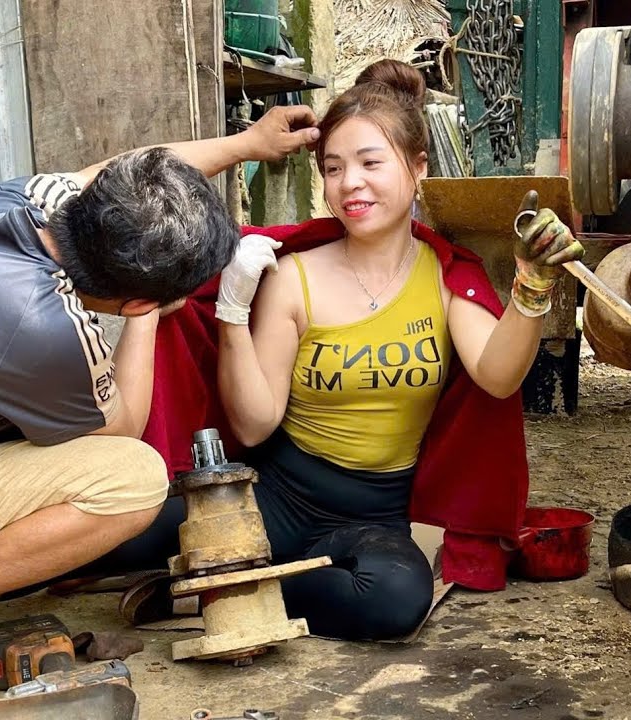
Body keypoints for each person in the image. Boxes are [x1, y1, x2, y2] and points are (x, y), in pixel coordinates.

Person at [88, 60, 584, 641]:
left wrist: (531, 287)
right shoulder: (292, 274)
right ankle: (221, 573)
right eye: (333, 168)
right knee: (104, 533)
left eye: (372, 163)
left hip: (373, 515)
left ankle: (216, 589)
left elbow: (498, 378)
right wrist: (231, 312)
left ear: (418, 168)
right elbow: (252, 428)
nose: (351, 183)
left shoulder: (445, 278)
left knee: (395, 601)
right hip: (273, 496)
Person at [0, 105, 321, 619]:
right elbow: (122, 430)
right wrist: (147, 318)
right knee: (133, 478)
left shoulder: (30, 200)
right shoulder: (46, 330)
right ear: (140, 300)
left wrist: (247, 144)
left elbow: (118, 170)